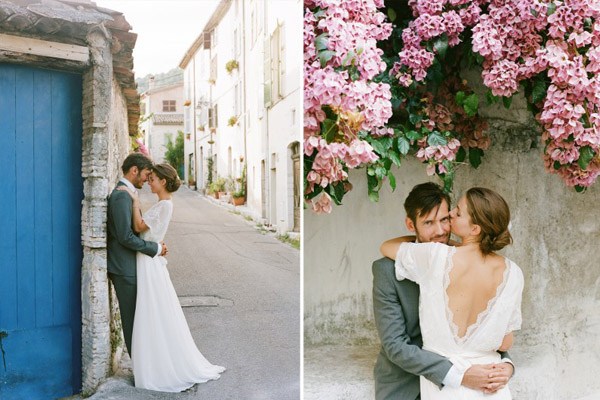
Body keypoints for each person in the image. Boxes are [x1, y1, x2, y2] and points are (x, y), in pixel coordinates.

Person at [372, 183, 515, 400]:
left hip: (469, 376)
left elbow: (486, 324)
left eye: (445, 220)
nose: (439, 231)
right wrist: (459, 375)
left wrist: (506, 364)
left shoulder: (469, 262)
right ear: (411, 224)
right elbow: (395, 346)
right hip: (407, 385)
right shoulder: (386, 270)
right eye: (428, 222)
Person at [118, 163, 225, 392]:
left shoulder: (164, 205)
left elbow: (138, 227)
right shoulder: (162, 205)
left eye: (153, 178)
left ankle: (158, 366)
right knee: (152, 311)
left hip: (148, 262)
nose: (149, 181)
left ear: (163, 182)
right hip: (148, 259)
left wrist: (134, 201)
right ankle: (153, 362)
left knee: (152, 311)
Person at [107, 153, 167, 356]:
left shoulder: (128, 194)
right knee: (132, 319)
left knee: (140, 318)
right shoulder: (121, 195)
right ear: (134, 170)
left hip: (130, 266)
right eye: (146, 174)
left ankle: (145, 363)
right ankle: (140, 368)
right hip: (124, 268)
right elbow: (125, 236)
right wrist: (155, 249)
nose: (146, 179)